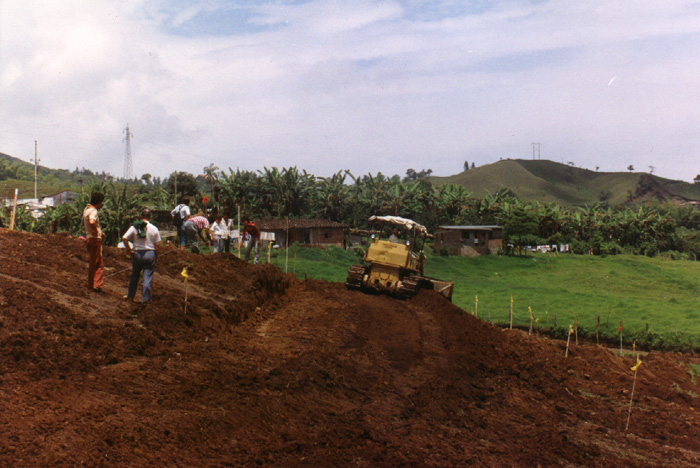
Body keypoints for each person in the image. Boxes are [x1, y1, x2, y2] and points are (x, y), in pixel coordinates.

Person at [121, 208, 161, 302]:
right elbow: (157, 245)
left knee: (135, 276)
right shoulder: (154, 228)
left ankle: (130, 296)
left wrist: (129, 250)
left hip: (138, 253)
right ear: (150, 217)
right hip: (150, 253)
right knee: (147, 278)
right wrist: (156, 257)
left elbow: (124, 238)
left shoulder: (135, 227)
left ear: (140, 217)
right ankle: (145, 300)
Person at [83, 192, 105, 293]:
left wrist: (99, 231)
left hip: (88, 237)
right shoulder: (93, 211)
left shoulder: (86, 209)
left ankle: (91, 283)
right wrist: (97, 232)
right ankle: (96, 284)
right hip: (95, 238)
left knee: (93, 261)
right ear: (99, 202)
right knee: (98, 263)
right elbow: (92, 221)